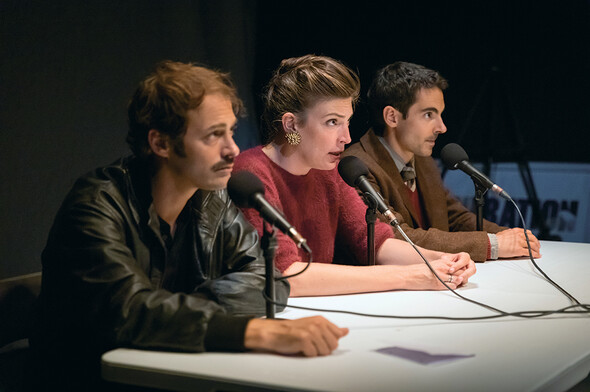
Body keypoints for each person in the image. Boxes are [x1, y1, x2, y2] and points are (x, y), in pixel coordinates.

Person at [28, 60, 348, 391]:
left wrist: (177, 311)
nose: (232, 150)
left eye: (231, 132)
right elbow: (128, 310)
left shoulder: (212, 199)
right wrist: (253, 331)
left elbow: (269, 280)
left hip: (170, 371)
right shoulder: (96, 205)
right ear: (161, 143)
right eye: (213, 135)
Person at [233, 55, 476, 297]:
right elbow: (287, 274)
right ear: (291, 125)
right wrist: (412, 276)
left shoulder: (327, 171)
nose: (346, 137)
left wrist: (444, 260)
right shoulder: (252, 172)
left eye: (347, 122)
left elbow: (375, 241)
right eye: (332, 122)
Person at [342, 61, 541, 262]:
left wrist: (512, 237)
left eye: (440, 114)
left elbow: (455, 217)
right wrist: (493, 244)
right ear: (392, 117)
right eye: (429, 115)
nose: (442, 127)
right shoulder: (356, 167)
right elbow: (397, 238)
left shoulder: (422, 160)